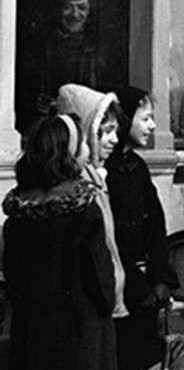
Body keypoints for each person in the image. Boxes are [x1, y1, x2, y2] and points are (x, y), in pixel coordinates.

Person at [2, 113, 118, 370]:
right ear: (70, 153)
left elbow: (13, 275)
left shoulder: (19, 212)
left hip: (32, 330)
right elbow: (100, 279)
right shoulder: (84, 210)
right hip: (80, 332)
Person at [106, 86, 178, 370]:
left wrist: (160, 275)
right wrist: (139, 285)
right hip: (120, 286)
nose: (152, 125)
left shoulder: (137, 167)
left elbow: (156, 226)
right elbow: (108, 235)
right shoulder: (104, 172)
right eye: (145, 118)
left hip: (143, 284)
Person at [56, 84, 131, 335]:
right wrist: (107, 292)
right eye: (106, 131)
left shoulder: (96, 176)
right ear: (88, 130)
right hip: (88, 307)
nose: (114, 139)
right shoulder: (83, 184)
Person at [16, 0, 102, 133]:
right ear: (57, 9)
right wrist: (36, 101)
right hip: (48, 128)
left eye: (82, 7)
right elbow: (22, 87)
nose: (75, 15)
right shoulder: (40, 45)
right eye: (68, 7)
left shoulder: (97, 47)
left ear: (91, 9)